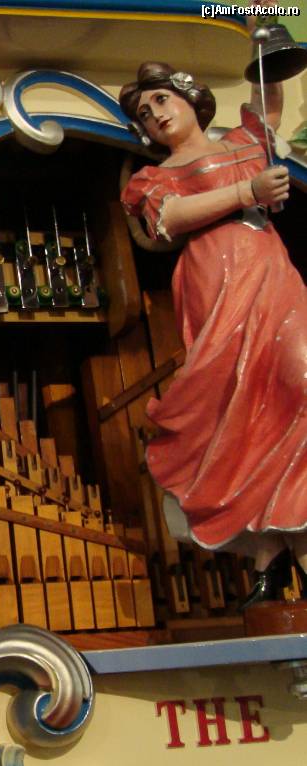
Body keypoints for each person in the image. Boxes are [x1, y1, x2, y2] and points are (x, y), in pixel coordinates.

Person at [120, 61, 307, 609]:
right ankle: (272, 555)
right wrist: (247, 188)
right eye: (144, 114)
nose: (155, 115)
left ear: (188, 97)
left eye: (161, 100)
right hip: (214, 281)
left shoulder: (242, 142)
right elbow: (171, 218)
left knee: (299, 377)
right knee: (240, 406)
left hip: (269, 272)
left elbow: (267, 97)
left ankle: (292, 538)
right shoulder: (152, 179)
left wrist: (263, 30)